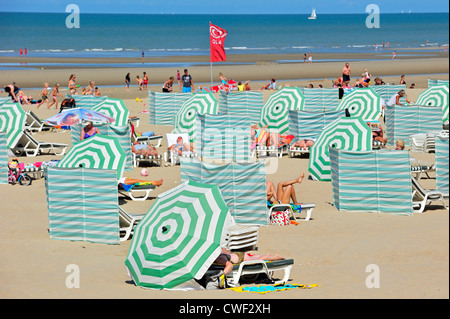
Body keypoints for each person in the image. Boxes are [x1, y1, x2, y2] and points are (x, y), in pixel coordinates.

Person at [213, 248, 285, 288]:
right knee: (255, 257)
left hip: (242, 259)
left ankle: (276, 257)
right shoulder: (219, 252)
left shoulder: (219, 258)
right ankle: (269, 256)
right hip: (237, 255)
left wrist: (222, 274)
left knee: (261, 259)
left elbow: (230, 265)